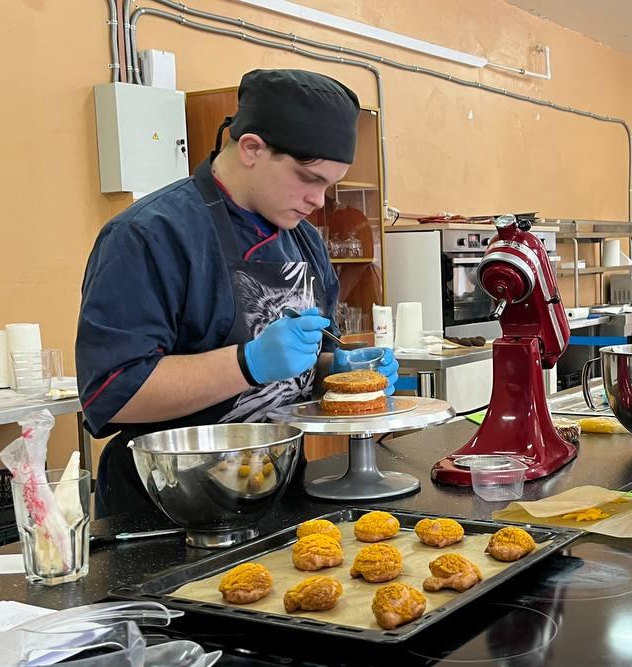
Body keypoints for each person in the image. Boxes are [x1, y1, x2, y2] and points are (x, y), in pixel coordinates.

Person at [76, 69, 399, 518]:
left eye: (329, 184)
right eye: (308, 178)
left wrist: (336, 372)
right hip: (171, 506)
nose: (318, 201)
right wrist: (247, 364)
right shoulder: (149, 235)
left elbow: (296, 369)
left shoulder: (303, 240)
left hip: (278, 488)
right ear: (251, 148)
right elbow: (112, 394)